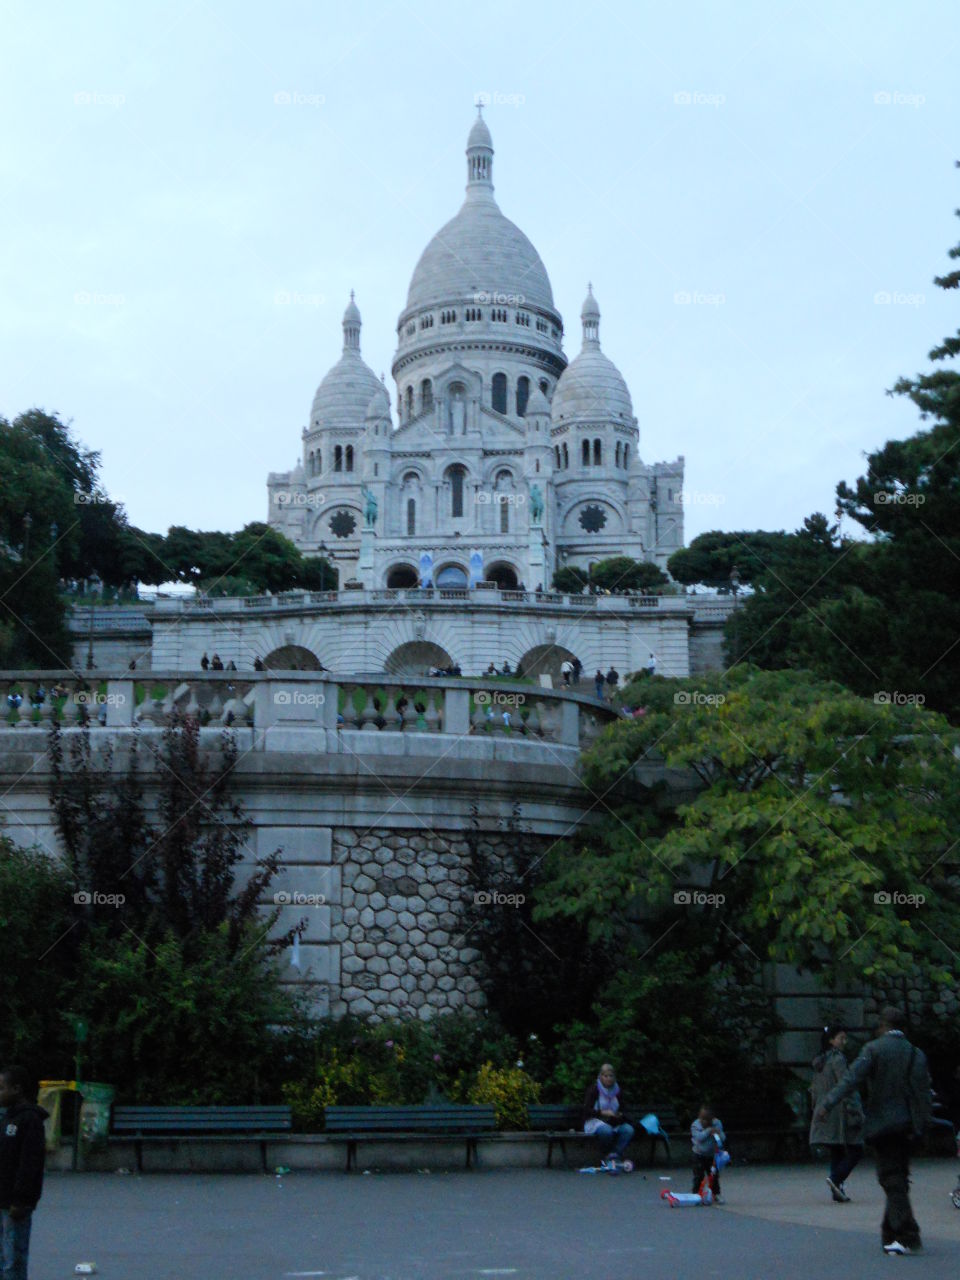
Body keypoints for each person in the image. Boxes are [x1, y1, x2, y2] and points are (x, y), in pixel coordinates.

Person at [815, 1006, 931, 1256]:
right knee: (897, 1175)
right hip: (908, 1124)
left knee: (891, 1177)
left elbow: (850, 1080)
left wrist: (827, 1104)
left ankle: (906, 1235)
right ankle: (891, 1232)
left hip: (883, 1123)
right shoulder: (916, 1053)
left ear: (884, 1025)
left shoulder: (873, 1049)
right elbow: (923, 1092)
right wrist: (923, 1124)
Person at [0, 1065, 48, 1280]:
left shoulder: (29, 1120)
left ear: (17, 1089)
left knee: (13, 1259)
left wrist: (21, 1200)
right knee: (4, 1258)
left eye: (2, 1088)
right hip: (3, 1199)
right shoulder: (7, 1118)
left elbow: (30, 1164)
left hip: (15, 1203)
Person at [809, 1024, 864, 1202]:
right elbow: (846, 1085)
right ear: (832, 1040)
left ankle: (837, 1189)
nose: (844, 1041)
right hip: (839, 1111)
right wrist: (856, 1110)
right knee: (856, 1149)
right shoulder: (837, 1059)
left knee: (837, 1151)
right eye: (841, 1038)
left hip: (824, 1110)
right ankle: (836, 1180)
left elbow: (814, 1089)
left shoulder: (820, 1061)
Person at [582, 1063, 634, 1165]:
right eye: (606, 1076)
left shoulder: (618, 1091)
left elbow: (623, 1108)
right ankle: (607, 1154)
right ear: (600, 1077)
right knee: (606, 1131)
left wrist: (619, 1115)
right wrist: (602, 1112)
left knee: (628, 1129)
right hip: (595, 1121)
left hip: (614, 1121)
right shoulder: (594, 1090)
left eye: (611, 1076)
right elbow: (586, 1110)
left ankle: (614, 1155)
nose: (608, 1079)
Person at [690, 1104, 726, 1202]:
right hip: (698, 1154)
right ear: (699, 1117)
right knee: (698, 1175)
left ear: (712, 1119)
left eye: (708, 1120)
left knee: (714, 1175)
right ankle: (695, 1194)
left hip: (711, 1155)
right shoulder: (695, 1125)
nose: (704, 1122)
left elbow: (723, 1138)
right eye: (702, 1119)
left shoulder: (717, 1123)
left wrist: (719, 1133)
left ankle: (716, 1194)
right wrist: (708, 1131)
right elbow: (699, 1138)